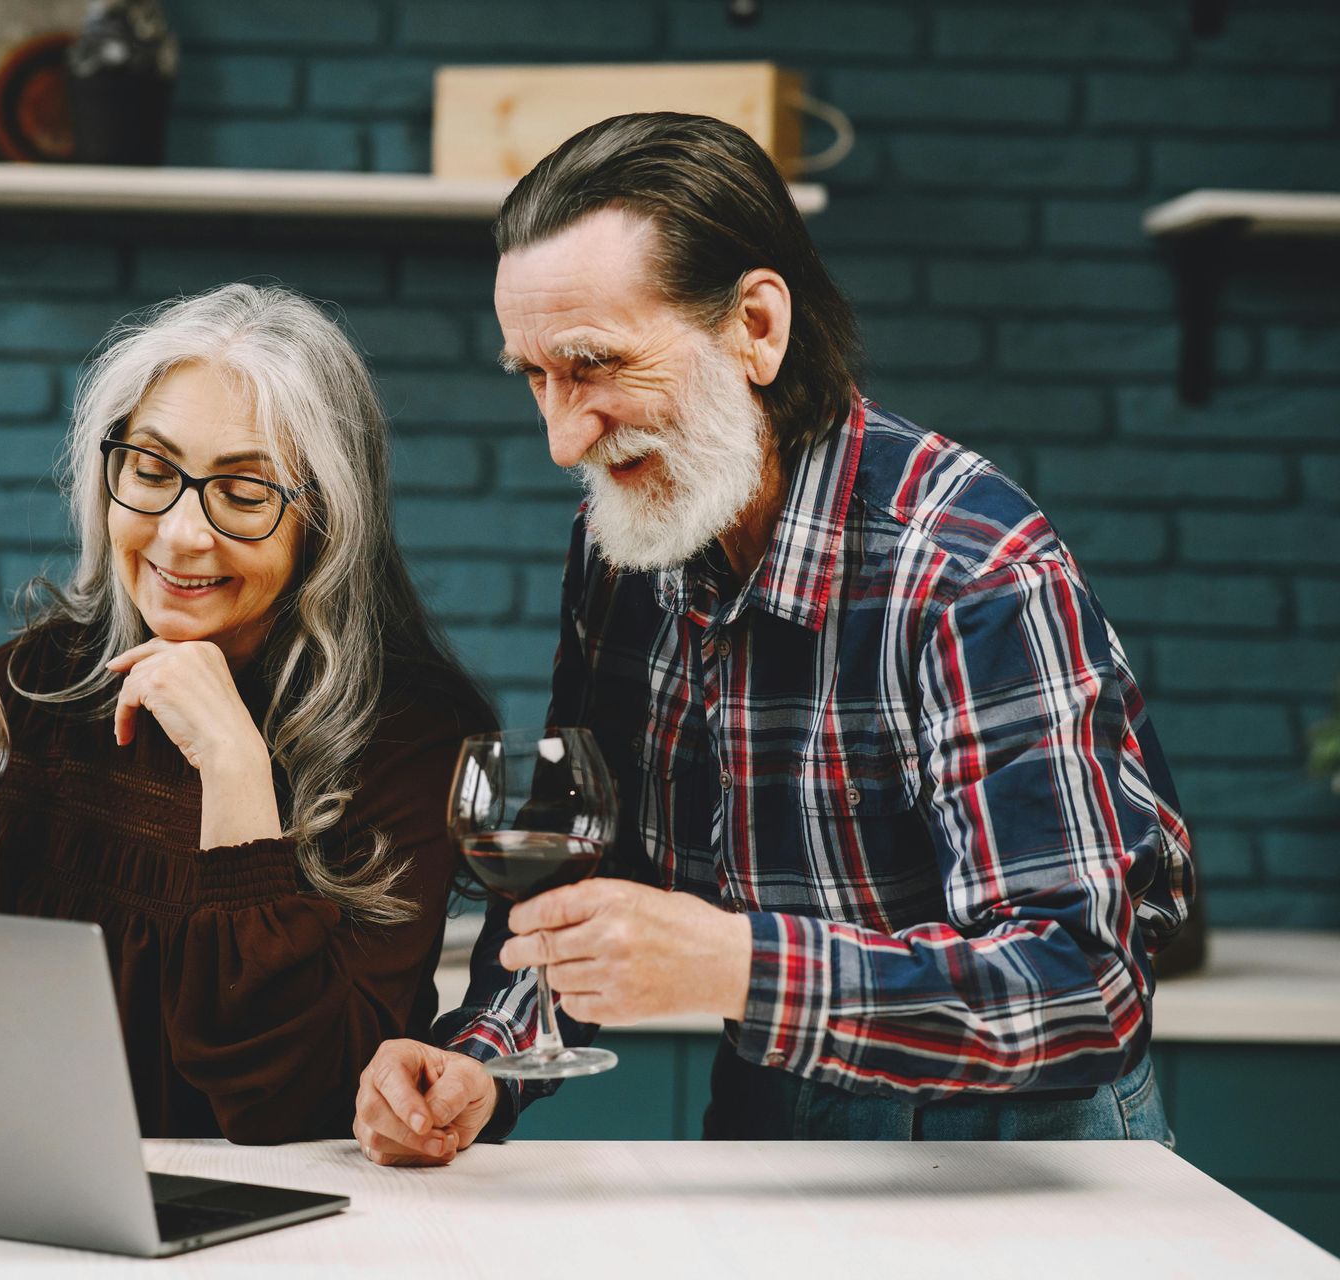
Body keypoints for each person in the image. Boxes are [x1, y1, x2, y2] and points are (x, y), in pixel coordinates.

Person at [354, 113, 1196, 1164]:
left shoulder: (971, 570)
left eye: (594, 364)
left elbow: (1083, 989)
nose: (562, 435)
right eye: (536, 375)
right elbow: (591, 858)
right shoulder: (631, 541)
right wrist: (484, 1058)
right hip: (771, 1120)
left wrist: (741, 964)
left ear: (756, 325)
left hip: (1025, 1152)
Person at [0, 283, 493, 1144]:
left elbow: (295, 1107)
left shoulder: (411, 739)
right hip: (35, 1210)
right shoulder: (25, 688)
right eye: (152, 472)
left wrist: (235, 768)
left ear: (326, 520)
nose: (183, 533)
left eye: (242, 491)